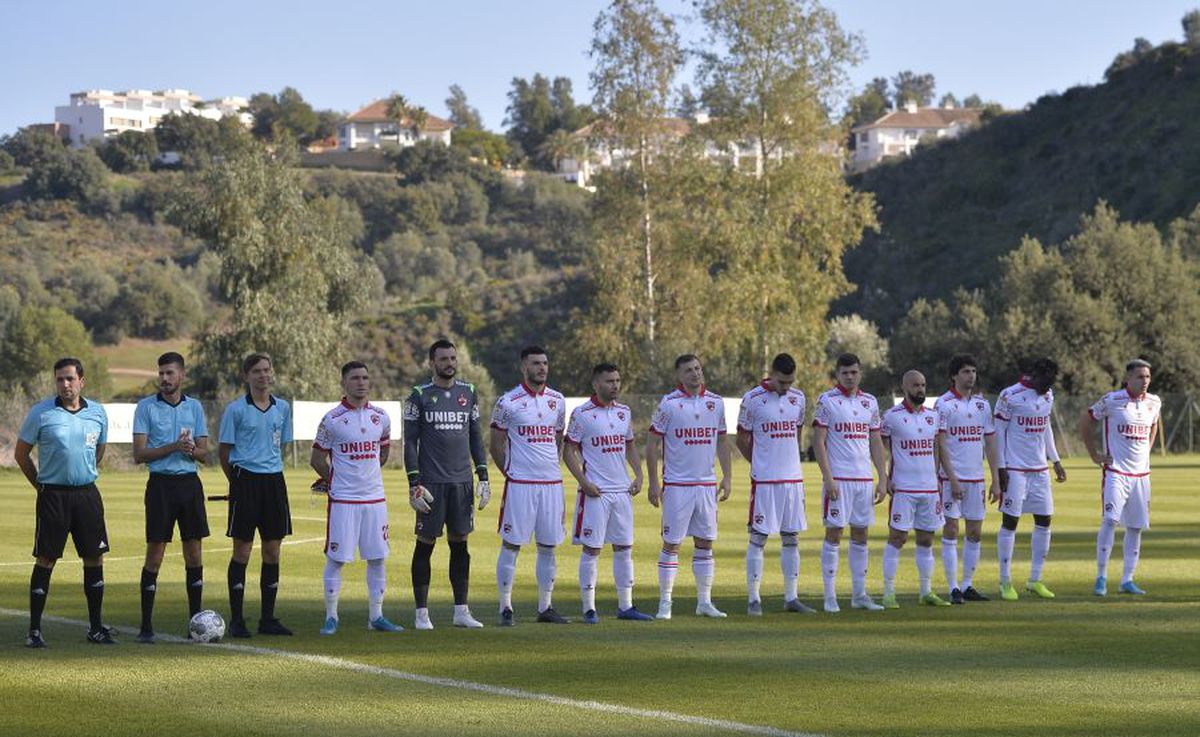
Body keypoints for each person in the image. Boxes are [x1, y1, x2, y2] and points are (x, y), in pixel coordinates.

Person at [15, 358, 114, 647]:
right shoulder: (41, 413)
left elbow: (99, 449)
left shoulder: (98, 413)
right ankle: (34, 631)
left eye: (70, 379)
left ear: (82, 381)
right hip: (53, 496)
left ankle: (96, 628)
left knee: (94, 558)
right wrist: (40, 485)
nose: (65, 384)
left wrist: (83, 473)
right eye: (60, 379)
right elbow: (22, 454)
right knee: (46, 559)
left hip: (87, 495)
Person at [311, 361, 402, 634]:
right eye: (355, 378)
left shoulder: (381, 417)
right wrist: (335, 481)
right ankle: (331, 617)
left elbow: (383, 452)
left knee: (377, 558)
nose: (361, 382)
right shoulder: (332, 419)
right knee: (337, 558)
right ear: (344, 383)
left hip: (375, 499)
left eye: (365, 377)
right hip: (344, 500)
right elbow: (316, 459)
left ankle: (376, 617)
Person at [404, 339, 489, 629]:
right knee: (425, 545)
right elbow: (410, 442)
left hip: (461, 482)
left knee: (460, 545)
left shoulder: (469, 393)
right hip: (432, 483)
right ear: (432, 362)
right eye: (443, 359)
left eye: (453, 358)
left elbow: (475, 436)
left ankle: (461, 611)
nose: (450, 363)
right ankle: (421, 614)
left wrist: (483, 475)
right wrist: (413, 481)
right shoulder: (419, 395)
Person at [563, 363, 653, 624]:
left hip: (622, 492)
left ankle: (626, 606)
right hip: (596, 493)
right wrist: (583, 481)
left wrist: (638, 475)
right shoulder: (582, 414)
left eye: (617, 380)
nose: (615, 385)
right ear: (596, 384)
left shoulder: (624, 412)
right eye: (609, 381)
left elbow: (630, 446)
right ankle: (588, 608)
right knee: (592, 550)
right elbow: (568, 451)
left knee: (624, 548)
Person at [131, 352, 210, 643]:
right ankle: (146, 626)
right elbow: (139, 454)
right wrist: (174, 446)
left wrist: (191, 450)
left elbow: (204, 453)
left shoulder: (196, 408)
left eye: (170, 373)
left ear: (182, 375)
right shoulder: (146, 407)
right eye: (161, 373)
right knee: (155, 554)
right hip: (161, 486)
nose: (164, 379)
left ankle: (196, 623)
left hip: (189, 485)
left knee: (194, 553)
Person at [647, 354, 732, 620]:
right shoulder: (668, 404)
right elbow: (651, 445)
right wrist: (653, 483)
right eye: (688, 370)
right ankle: (665, 603)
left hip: (706, 485)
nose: (695, 374)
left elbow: (721, 441)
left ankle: (704, 602)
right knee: (672, 543)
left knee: (705, 543)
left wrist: (727, 476)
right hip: (677, 485)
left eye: (697, 368)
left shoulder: (715, 403)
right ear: (679, 376)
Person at [490, 346, 568, 625]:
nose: (542, 368)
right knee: (512, 544)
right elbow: (495, 444)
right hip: (520, 484)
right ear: (524, 367)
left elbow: (558, 438)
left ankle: (545, 607)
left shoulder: (558, 401)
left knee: (548, 546)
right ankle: (505, 608)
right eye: (536, 363)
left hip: (551, 484)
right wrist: (509, 472)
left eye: (545, 363)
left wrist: (551, 466)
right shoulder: (507, 402)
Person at [218, 353, 294, 637]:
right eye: (257, 371)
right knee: (242, 550)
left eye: (267, 370)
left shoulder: (282, 408)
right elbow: (224, 452)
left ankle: (268, 619)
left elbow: (281, 447)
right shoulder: (236, 410)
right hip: (245, 481)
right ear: (246, 376)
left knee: (273, 551)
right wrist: (237, 482)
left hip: (274, 482)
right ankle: (237, 620)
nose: (263, 375)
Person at [736, 353, 816, 616]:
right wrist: (759, 463)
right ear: (772, 373)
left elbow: (797, 432)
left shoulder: (799, 398)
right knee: (758, 538)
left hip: (792, 480)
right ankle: (753, 599)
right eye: (782, 382)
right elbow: (742, 440)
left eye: (790, 382)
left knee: (791, 538)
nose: (786, 387)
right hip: (765, 481)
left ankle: (791, 598)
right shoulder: (752, 399)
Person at [811, 353, 888, 613]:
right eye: (845, 373)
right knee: (834, 534)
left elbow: (876, 441)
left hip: (864, 480)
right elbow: (818, 441)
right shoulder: (827, 401)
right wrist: (828, 477)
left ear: (860, 373)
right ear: (838, 375)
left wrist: (882, 477)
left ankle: (859, 594)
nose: (850, 376)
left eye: (854, 372)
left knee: (861, 535)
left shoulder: (870, 402)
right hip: (839, 480)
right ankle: (830, 596)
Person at [1080, 359, 1161, 597]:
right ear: (1128, 379)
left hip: (1141, 475)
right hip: (1116, 472)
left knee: (1135, 527)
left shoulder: (1154, 402)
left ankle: (1127, 579)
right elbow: (1086, 420)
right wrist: (1094, 454)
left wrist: (1148, 449)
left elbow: (1153, 425)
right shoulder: (1112, 400)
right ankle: (1101, 577)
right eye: (1139, 377)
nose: (1144, 381)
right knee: (1110, 521)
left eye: (1147, 377)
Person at [993, 358, 1067, 601]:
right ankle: (1005, 582)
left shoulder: (1047, 396)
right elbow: (999, 432)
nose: (1049, 386)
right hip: (1015, 469)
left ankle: (1035, 580)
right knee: (1010, 522)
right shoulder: (1009, 395)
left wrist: (1055, 460)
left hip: (1040, 469)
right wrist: (1001, 468)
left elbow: (1045, 426)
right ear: (1033, 374)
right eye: (1046, 380)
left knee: (1045, 520)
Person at [878, 370, 953, 608]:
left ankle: (926, 591)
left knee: (926, 539)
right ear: (905, 387)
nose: (920, 389)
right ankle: (888, 592)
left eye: (923, 385)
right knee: (897, 537)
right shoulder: (891, 417)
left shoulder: (934, 416)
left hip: (930, 489)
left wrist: (938, 476)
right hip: (904, 489)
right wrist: (885, 477)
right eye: (915, 385)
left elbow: (937, 448)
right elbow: (880, 446)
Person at [933, 354, 1001, 604]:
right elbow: (939, 443)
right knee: (951, 529)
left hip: (976, 479)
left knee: (975, 532)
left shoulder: (982, 405)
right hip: (951, 479)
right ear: (954, 376)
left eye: (973, 371)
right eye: (965, 371)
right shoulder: (943, 404)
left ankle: (967, 585)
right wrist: (951, 477)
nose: (970, 375)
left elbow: (991, 442)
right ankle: (953, 588)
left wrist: (995, 478)